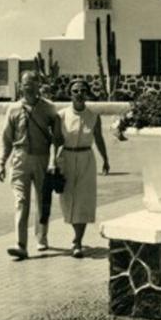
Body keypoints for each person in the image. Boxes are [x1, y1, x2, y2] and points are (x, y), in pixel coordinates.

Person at [0, 71, 63, 260]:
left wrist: (54, 160)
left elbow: (57, 139)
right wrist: (1, 163)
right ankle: (21, 244)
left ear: (39, 86)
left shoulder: (49, 109)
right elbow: (6, 139)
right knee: (21, 201)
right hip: (20, 159)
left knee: (43, 201)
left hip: (42, 159)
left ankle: (42, 236)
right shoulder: (13, 109)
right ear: (21, 86)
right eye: (26, 85)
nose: (29, 88)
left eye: (33, 85)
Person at [53, 79, 110, 258]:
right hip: (66, 158)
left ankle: (77, 241)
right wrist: (53, 162)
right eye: (75, 91)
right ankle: (76, 234)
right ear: (70, 94)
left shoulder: (93, 116)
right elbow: (56, 140)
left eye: (82, 90)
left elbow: (99, 138)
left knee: (84, 200)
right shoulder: (61, 116)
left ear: (87, 93)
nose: (79, 94)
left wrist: (105, 159)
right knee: (68, 198)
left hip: (86, 159)